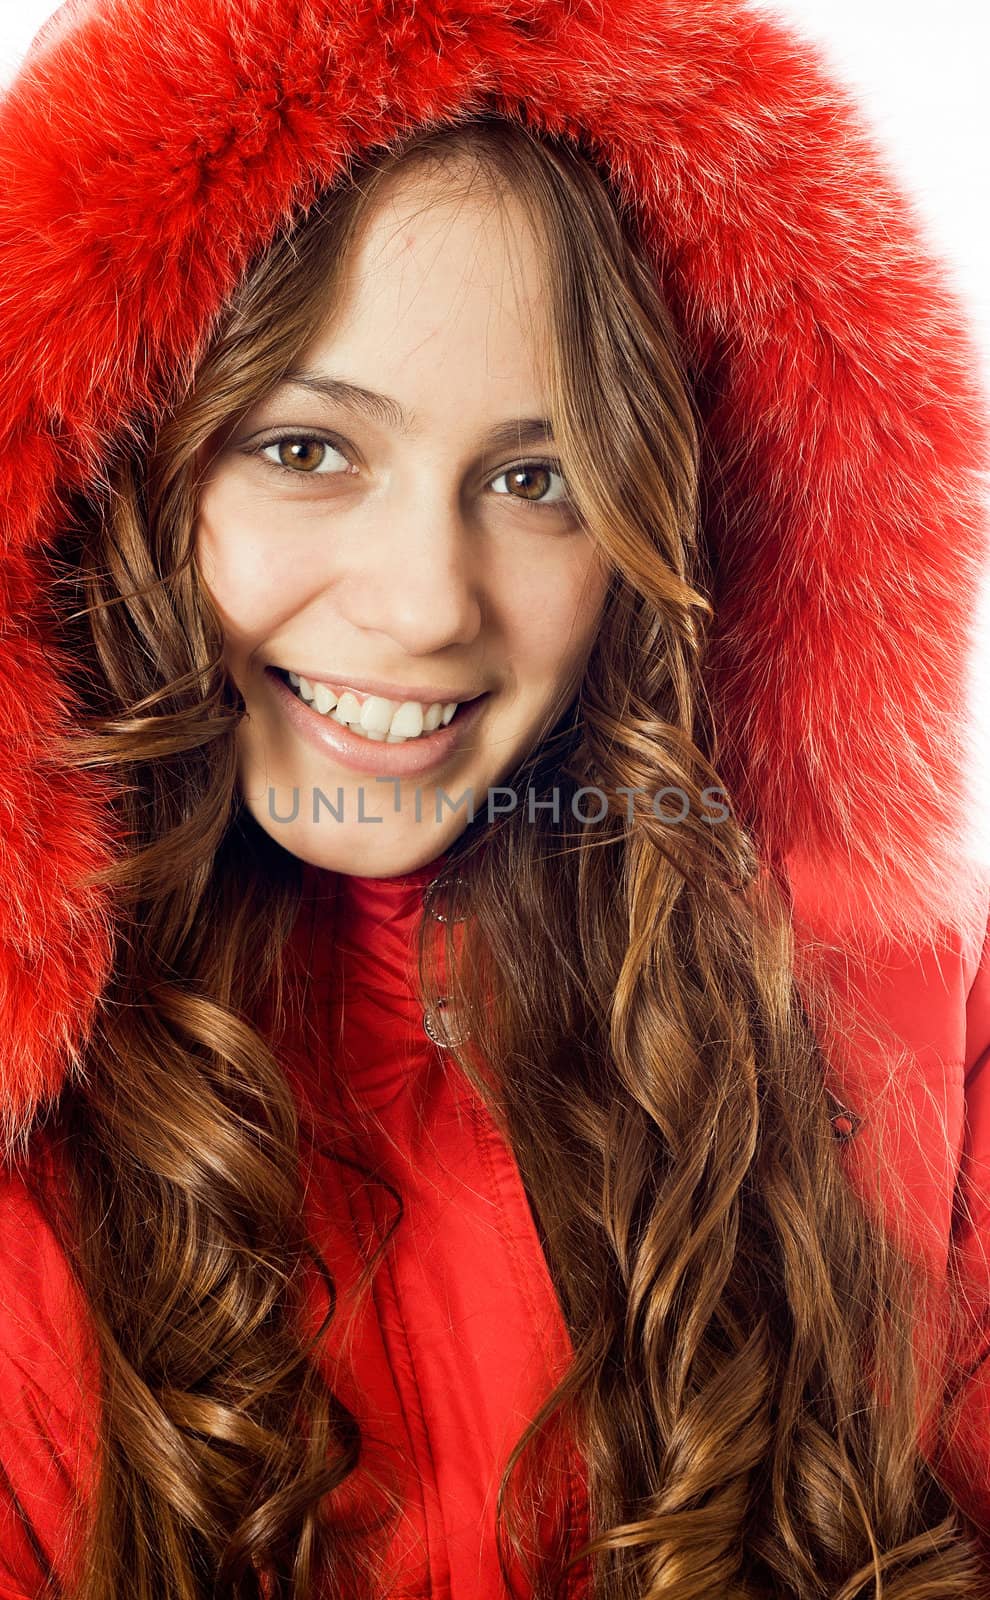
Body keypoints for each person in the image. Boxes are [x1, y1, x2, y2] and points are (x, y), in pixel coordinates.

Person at [1, 0, 989, 1596]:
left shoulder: (909, 1021)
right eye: (308, 448)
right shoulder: (32, 1138)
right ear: (116, 468)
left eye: (535, 480)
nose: (423, 605)